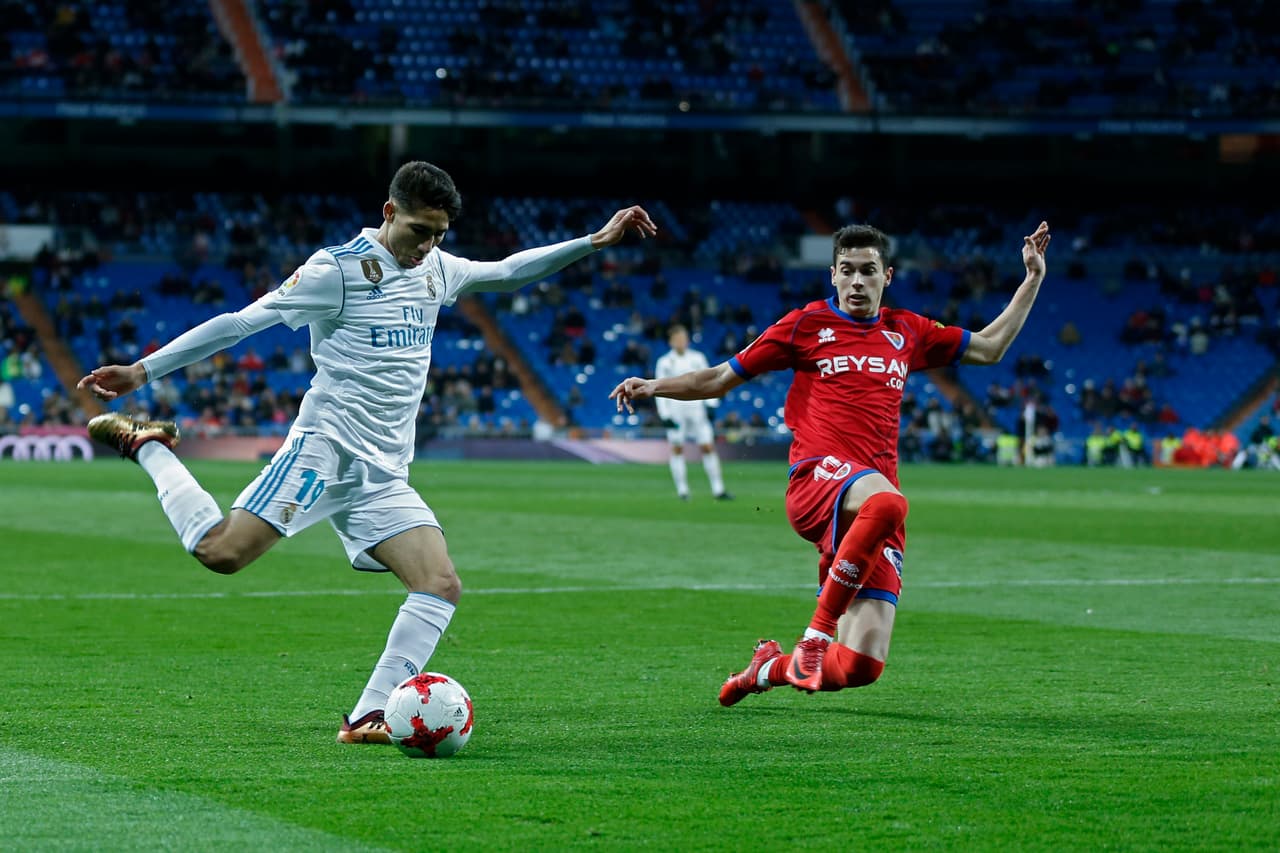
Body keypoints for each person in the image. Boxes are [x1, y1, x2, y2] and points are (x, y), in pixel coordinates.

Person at [78, 161, 657, 743]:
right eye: (418, 232)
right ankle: (149, 445)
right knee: (220, 553)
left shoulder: (436, 267)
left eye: (438, 234)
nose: (426, 246)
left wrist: (593, 241)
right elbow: (238, 323)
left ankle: (367, 715)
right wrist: (142, 370)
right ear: (388, 212)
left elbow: (506, 272)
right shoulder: (337, 270)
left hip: (383, 473)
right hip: (324, 454)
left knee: (440, 583)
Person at [611, 221, 1050, 704]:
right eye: (848, 271)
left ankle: (768, 668)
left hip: (870, 494)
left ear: (888, 276)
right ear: (833, 276)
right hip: (817, 479)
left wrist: (1031, 279)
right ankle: (814, 639)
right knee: (891, 505)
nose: (857, 281)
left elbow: (989, 348)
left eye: (868, 271)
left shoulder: (909, 330)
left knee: (861, 666)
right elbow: (718, 378)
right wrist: (653, 386)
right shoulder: (804, 325)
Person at [653, 324, 732, 501]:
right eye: (678, 338)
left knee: (707, 446)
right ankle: (683, 491)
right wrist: (664, 415)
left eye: (684, 337)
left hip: (696, 410)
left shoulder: (698, 358)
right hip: (676, 411)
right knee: (677, 449)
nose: (682, 341)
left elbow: (710, 381)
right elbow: (659, 389)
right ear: (671, 341)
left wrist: (711, 404)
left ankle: (718, 489)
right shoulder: (664, 362)